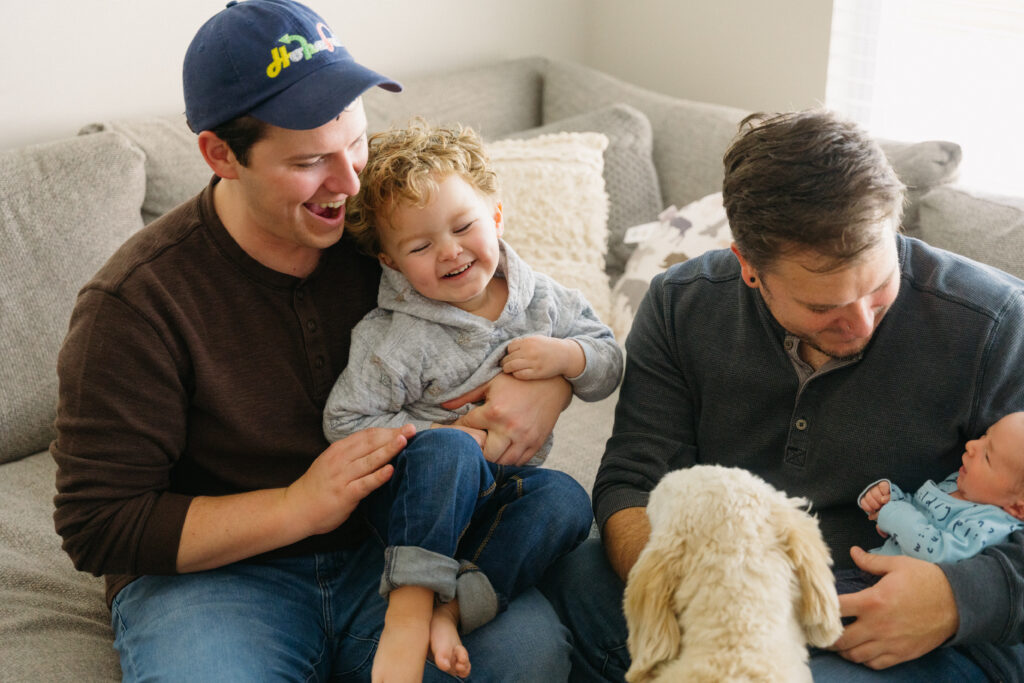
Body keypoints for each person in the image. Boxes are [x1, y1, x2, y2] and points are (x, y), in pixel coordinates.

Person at [50, 1, 577, 680]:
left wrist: (552, 381)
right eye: (310, 161)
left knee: (527, 658)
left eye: (355, 141)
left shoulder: (386, 231)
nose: (350, 183)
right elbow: (98, 524)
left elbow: (516, 292)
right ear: (221, 154)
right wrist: (296, 505)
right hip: (219, 580)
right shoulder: (136, 304)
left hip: (400, 545)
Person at [540, 109, 1024, 682]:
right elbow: (634, 480)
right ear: (748, 267)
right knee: (570, 576)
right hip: (730, 585)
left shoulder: (996, 324)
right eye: (823, 307)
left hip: (899, 619)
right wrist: (685, 587)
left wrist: (955, 600)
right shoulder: (680, 304)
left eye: (877, 287)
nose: (862, 324)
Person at [321, 121, 622, 679]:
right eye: (420, 246)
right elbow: (345, 420)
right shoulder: (393, 336)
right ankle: (408, 612)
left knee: (566, 498)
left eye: (464, 226)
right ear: (391, 262)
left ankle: (452, 611)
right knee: (451, 453)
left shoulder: (545, 300)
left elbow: (608, 358)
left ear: (497, 216)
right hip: (417, 499)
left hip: (501, 490)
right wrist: (442, 436)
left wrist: (566, 358)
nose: (450, 251)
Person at [835, 411, 1024, 596]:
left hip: (899, 594)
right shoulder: (959, 482)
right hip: (870, 574)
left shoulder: (991, 524)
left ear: (1017, 508)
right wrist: (888, 498)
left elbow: (937, 554)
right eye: (984, 435)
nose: (971, 445)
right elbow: (919, 511)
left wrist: (892, 513)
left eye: (987, 456)